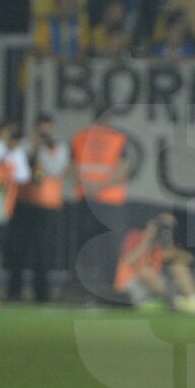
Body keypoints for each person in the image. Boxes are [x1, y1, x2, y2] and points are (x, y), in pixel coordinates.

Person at [70, 107, 131, 299]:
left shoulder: (80, 137)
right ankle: (104, 288)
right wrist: (99, 186)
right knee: (101, 245)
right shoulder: (117, 139)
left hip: (90, 198)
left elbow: (72, 168)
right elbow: (122, 170)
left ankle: (88, 288)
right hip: (107, 199)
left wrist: (89, 186)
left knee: (90, 245)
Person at [8, 115, 69, 303]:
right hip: (24, 204)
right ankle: (14, 291)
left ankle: (42, 294)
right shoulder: (25, 144)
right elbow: (16, 166)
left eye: (47, 130)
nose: (44, 134)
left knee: (43, 252)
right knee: (18, 248)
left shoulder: (58, 148)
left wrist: (42, 150)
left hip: (47, 207)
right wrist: (31, 146)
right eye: (40, 130)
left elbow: (53, 169)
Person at [113, 213, 195, 313]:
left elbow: (189, 259)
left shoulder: (163, 242)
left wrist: (168, 243)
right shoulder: (135, 235)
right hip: (135, 284)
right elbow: (129, 260)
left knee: (178, 266)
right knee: (145, 272)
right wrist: (148, 238)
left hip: (158, 287)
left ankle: (194, 299)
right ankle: (175, 302)